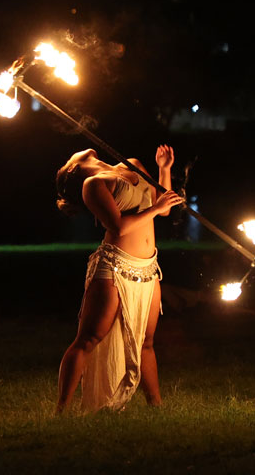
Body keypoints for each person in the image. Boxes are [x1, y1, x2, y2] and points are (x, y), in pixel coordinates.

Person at [55, 145, 185, 414]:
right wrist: (156, 207)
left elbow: (164, 209)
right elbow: (118, 226)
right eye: (70, 156)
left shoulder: (132, 163)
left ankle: (156, 407)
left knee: (146, 342)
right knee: (89, 338)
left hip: (148, 267)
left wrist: (164, 170)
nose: (73, 151)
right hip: (114, 266)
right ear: (72, 168)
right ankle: (61, 409)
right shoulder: (93, 185)